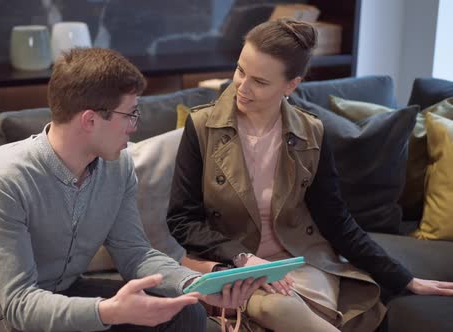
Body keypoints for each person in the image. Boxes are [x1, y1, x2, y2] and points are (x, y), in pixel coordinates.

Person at [167, 18, 453, 332]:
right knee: (275, 307)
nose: (242, 87)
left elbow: (336, 220)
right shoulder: (202, 127)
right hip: (230, 265)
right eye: (240, 70)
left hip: (299, 262)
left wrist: (403, 278)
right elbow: (184, 220)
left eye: (260, 81)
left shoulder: (312, 133)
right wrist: (243, 258)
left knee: (284, 308)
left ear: (291, 85)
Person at [0, 47, 263, 332]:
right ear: (89, 120)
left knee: (186, 313)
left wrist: (198, 282)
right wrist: (107, 312)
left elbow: (134, 254)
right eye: (130, 114)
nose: (135, 126)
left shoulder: (118, 167)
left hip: (66, 290)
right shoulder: (1, 179)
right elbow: (19, 304)